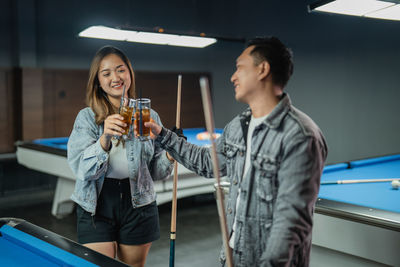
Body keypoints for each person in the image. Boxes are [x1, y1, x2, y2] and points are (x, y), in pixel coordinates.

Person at [145, 37, 328, 266]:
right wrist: (163, 135)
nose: (233, 76)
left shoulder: (300, 135)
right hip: (231, 256)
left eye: (240, 67)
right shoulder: (238, 126)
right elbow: (207, 162)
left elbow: (291, 222)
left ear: (263, 69)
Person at [67, 46, 173, 267]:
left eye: (120, 70)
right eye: (106, 73)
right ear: (98, 81)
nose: (115, 77)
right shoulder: (87, 117)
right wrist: (105, 138)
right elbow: (81, 170)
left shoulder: (149, 115)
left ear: (130, 73)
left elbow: (155, 171)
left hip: (139, 203)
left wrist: (171, 156)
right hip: (96, 203)